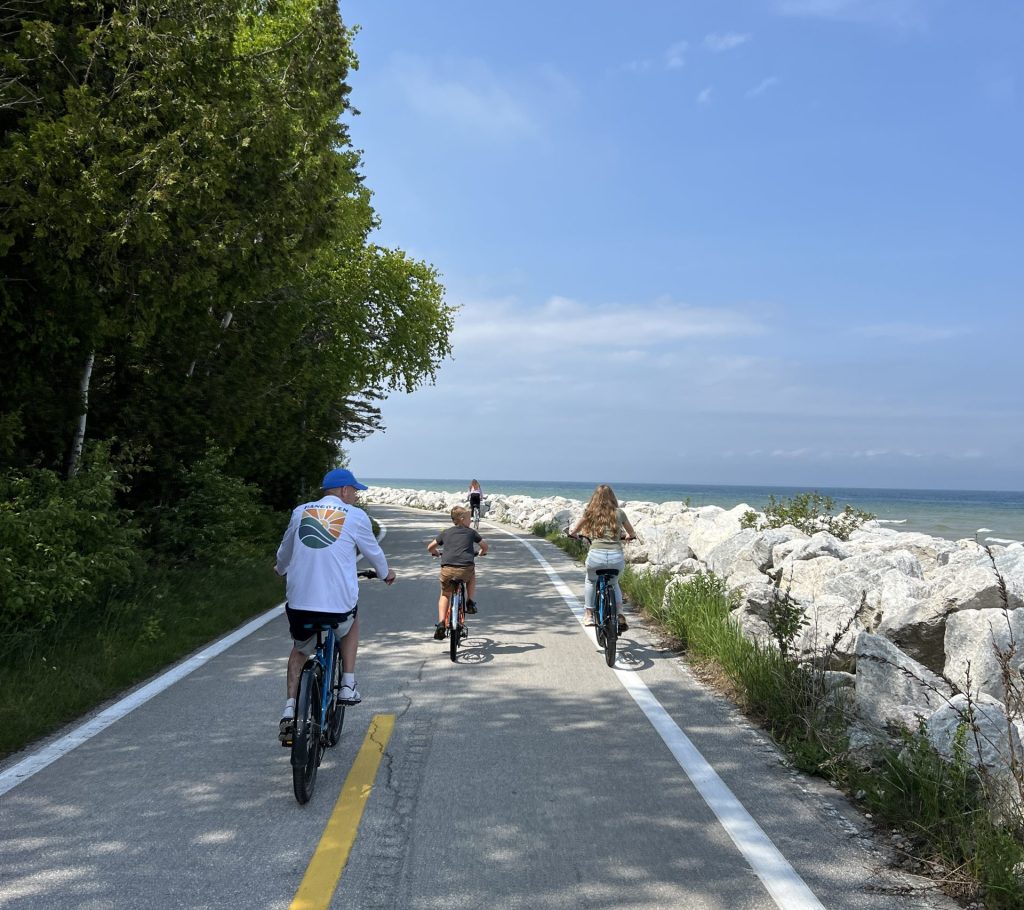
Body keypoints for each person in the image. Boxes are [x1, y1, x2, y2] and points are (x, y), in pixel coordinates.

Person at [274, 467, 395, 744]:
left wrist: (280, 569)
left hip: (300, 606)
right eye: (354, 491)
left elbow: (285, 551)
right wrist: (386, 573)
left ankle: (290, 709)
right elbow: (373, 553)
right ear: (343, 490)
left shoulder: (300, 511)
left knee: (300, 649)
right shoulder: (355, 516)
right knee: (351, 623)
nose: (355, 496)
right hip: (337, 609)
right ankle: (348, 685)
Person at [569, 484, 636, 630]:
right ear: (613, 497)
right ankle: (619, 613)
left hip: (596, 557)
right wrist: (628, 537)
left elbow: (576, 530)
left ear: (595, 498)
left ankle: (588, 615)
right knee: (614, 583)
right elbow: (631, 533)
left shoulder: (590, 512)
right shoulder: (620, 513)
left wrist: (573, 534)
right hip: (615, 558)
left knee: (591, 580)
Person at [427, 505, 488, 638]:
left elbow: (430, 547)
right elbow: (484, 546)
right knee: (471, 575)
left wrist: (436, 553)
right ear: (462, 519)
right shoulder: (471, 532)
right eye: (469, 518)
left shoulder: (446, 532)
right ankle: (470, 602)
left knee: (445, 595)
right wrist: (482, 553)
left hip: (447, 570)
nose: (471, 521)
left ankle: (441, 623)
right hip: (465, 569)